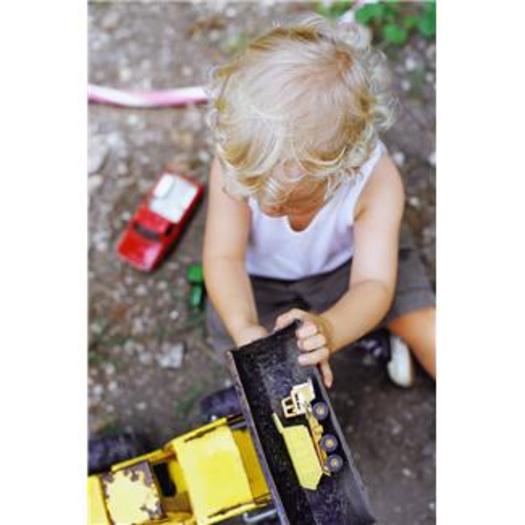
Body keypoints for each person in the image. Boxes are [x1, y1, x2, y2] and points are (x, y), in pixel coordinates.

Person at [202, 15, 435, 388]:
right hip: (260, 280)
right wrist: (245, 326)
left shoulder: (377, 182)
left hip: (348, 266)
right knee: (254, 362)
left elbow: (374, 280)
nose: (264, 208)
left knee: (424, 326)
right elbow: (223, 257)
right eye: (253, 193)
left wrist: (330, 328)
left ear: (345, 170)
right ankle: (364, 337)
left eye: (288, 203)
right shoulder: (236, 161)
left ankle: (369, 330)